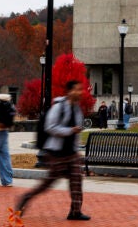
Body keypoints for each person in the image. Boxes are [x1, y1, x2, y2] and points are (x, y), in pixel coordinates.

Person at [17, 80, 90, 221]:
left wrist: (77, 149)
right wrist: (69, 130)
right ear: (69, 91)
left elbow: (77, 131)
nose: (80, 92)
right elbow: (50, 127)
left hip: (71, 153)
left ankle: (75, 211)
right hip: (57, 154)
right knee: (47, 184)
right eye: (76, 90)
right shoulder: (59, 107)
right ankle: (26, 198)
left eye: (81, 90)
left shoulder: (77, 109)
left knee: (77, 180)